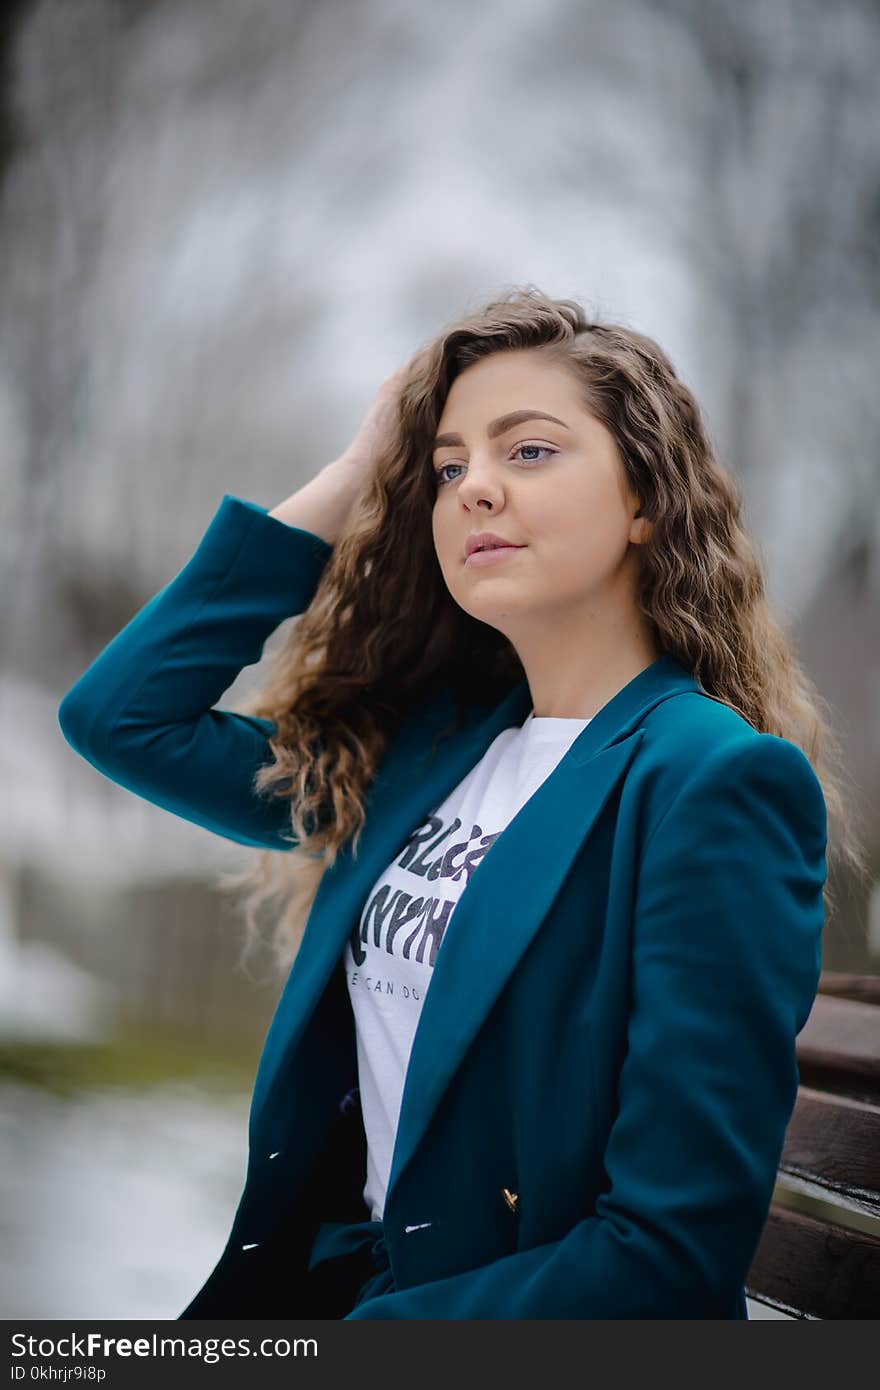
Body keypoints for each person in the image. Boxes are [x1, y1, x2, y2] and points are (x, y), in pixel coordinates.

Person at [57, 287, 863, 1320]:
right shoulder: (433, 749)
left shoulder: (710, 780)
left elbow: (666, 1250)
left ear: (643, 501)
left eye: (527, 451)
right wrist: (358, 472)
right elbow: (123, 718)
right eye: (445, 467)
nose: (474, 487)